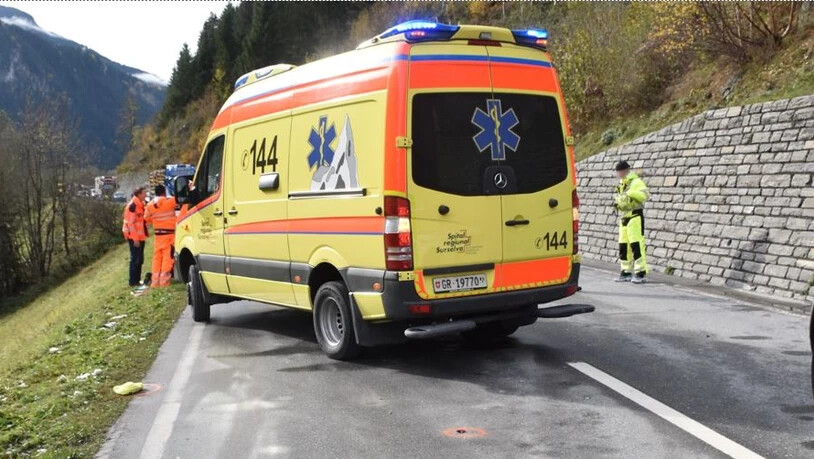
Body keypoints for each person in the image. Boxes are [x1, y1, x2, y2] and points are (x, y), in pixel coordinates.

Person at [613, 160, 650, 284]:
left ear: (624, 171)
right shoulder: (622, 183)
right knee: (623, 246)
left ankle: (641, 273)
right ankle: (626, 272)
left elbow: (645, 196)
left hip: (635, 216)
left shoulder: (636, 182)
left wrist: (630, 192)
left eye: (618, 171)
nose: (617, 174)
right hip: (624, 217)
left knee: (636, 245)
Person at [145, 184, 177, 288]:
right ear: (164, 192)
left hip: (158, 235)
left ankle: (155, 282)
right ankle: (164, 282)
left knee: (157, 258)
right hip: (169, 235)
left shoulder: (149, 205)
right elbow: (183, 201)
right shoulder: (170, 201)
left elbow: (147, 219)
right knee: (168, 258)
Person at [122, 187, 148, 287]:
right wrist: (135, 239)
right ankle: (133, 282)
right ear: (139, 194)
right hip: (134, 237)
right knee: (135, 260)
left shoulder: (140, 205)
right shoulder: (132, 206)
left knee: (139, 259)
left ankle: (137, 280)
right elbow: (131, 224)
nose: (145, 194)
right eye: (144, 193)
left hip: (140, 237)